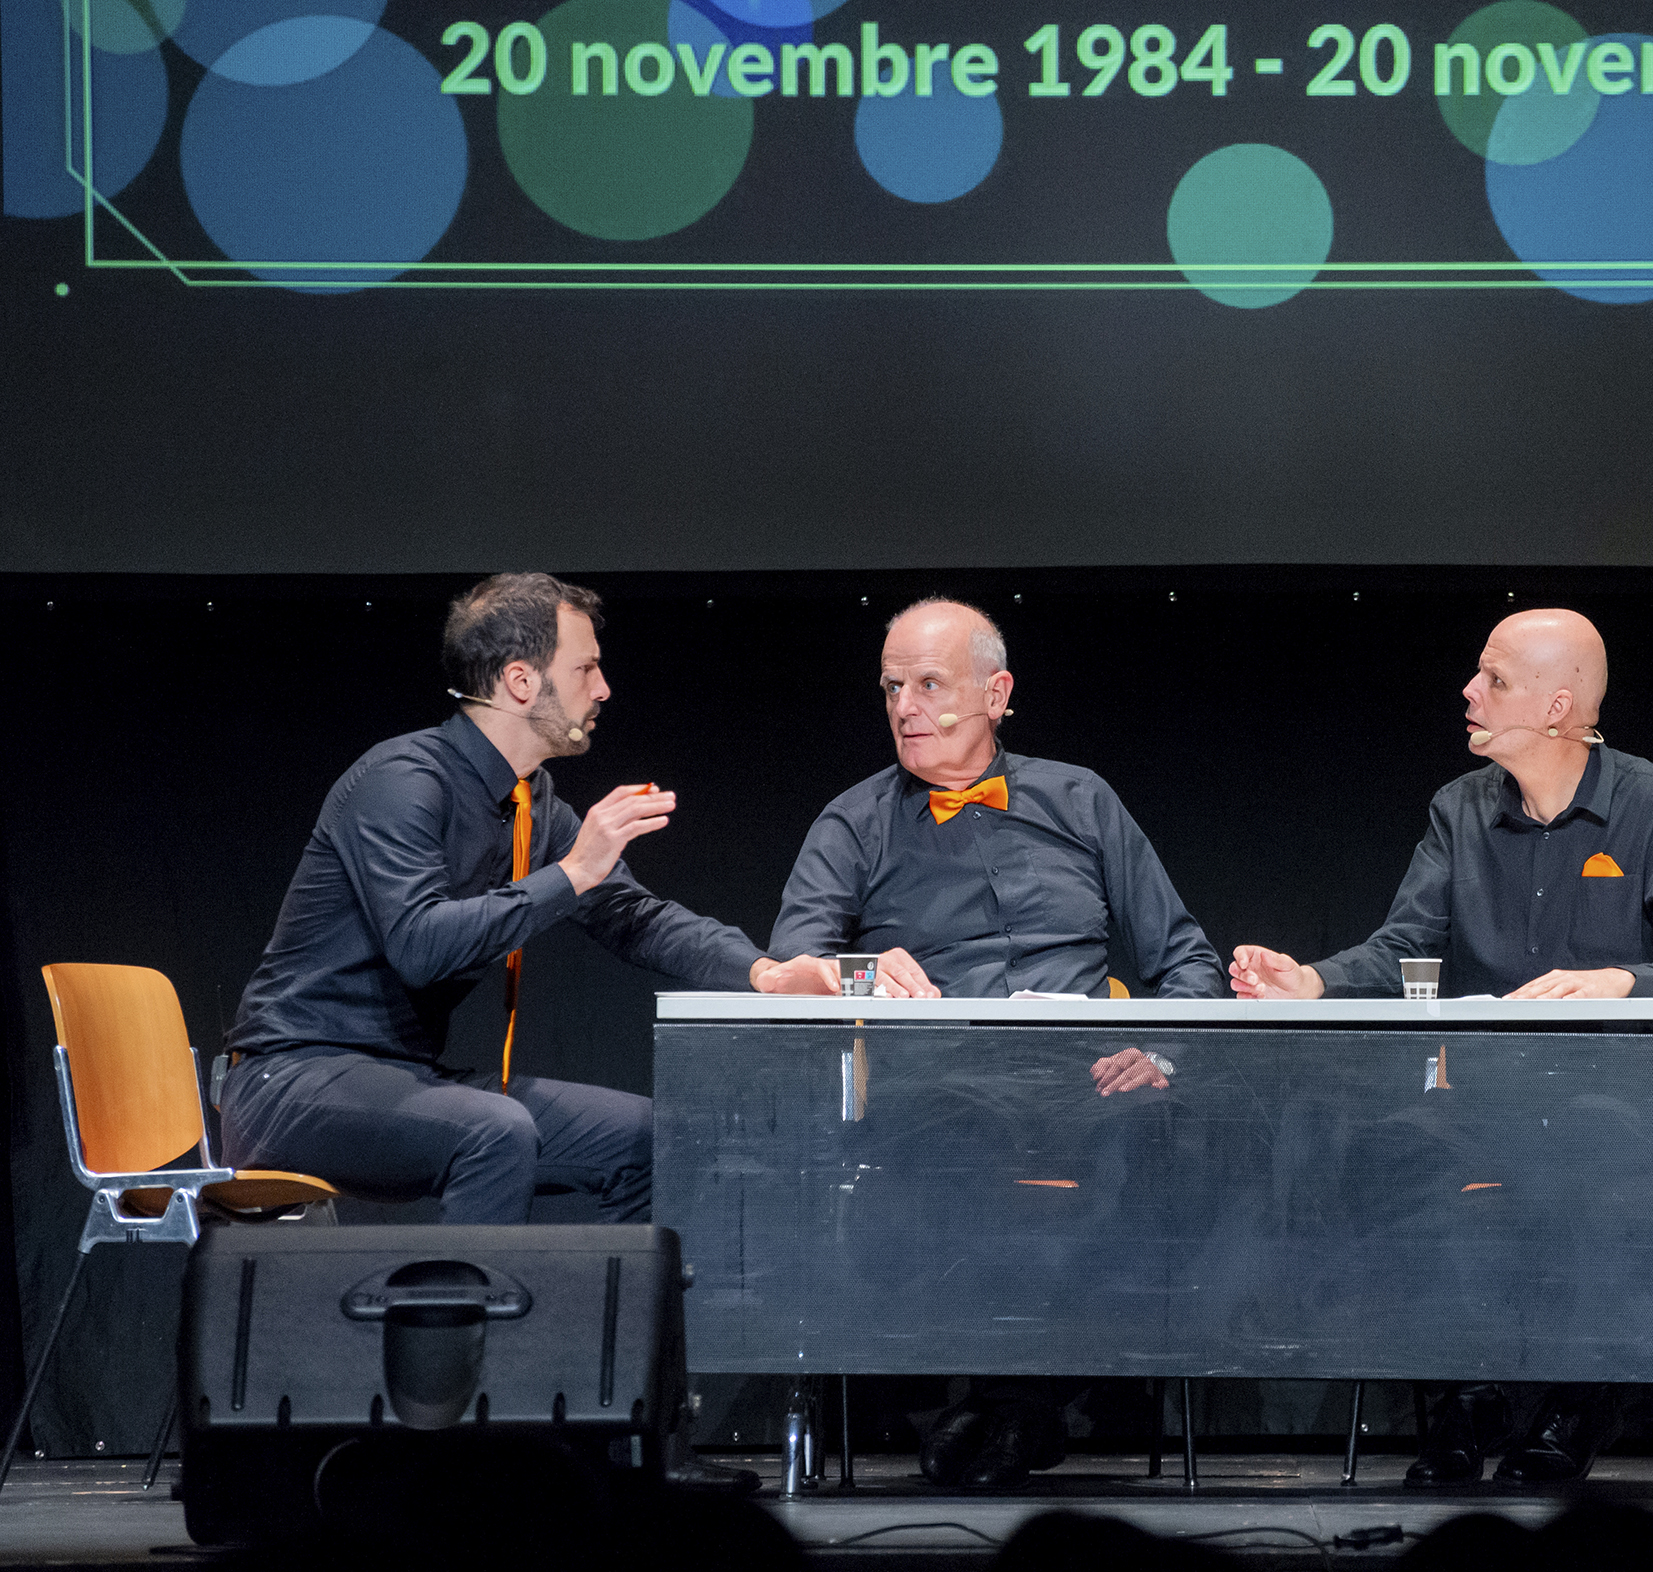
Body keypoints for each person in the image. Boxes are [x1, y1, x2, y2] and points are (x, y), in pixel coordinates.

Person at [1228, 608, 1653, 1487]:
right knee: (1387, 1152)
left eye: (1494, 680)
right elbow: (1406, 946)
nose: (1469, 692)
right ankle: (1472, 1388)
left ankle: (1574, 1397)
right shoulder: (1459, 808)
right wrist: (1310, 979)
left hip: (1624, 1097)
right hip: (1487, 1095)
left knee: (1572, 1151)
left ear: (1557, 708)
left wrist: (1617, 981)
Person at [763, 596, 1225, 1483]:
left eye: (929, 685)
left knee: (1168, 1133)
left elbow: (1187, 960)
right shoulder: (855, 821)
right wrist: (862, 970)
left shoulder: (1080, 799)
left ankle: (1015, 1400)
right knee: (960, 1140)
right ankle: (1009, 1402)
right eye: (892, 688)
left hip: (1085, 1080)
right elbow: (791, 964)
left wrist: (1160, 1052)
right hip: (941, 1083)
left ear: (996, 694)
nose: (905, 707)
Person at [223, 574, 799, 1224]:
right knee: (494, 1130)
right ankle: (461, 1294)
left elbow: (632, 917)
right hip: (289, 1081)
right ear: (521, 681)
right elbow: (421, 946)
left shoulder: (533, 802)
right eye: (585, 668)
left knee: (647, 1139)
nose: (603, 689)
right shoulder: (402, 780)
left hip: (406, 1078)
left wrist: (766, 972)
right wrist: (572, 872)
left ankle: (578, 1299)